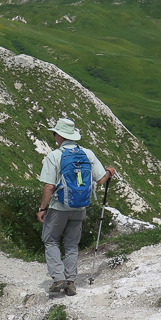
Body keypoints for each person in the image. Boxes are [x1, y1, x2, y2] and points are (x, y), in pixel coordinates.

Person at [36, 117, 116, 296]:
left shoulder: (55, 156)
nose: (54, 136)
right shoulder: (87, 154)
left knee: (51, 240)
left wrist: (42, 208)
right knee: (72, 244)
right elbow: (101, 179)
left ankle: (58, 279)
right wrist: (110, 171)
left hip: (58, 207)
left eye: (54, 133)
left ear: (60, 136)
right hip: (80, 207)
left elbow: (49, 186)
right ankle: (71, 281)